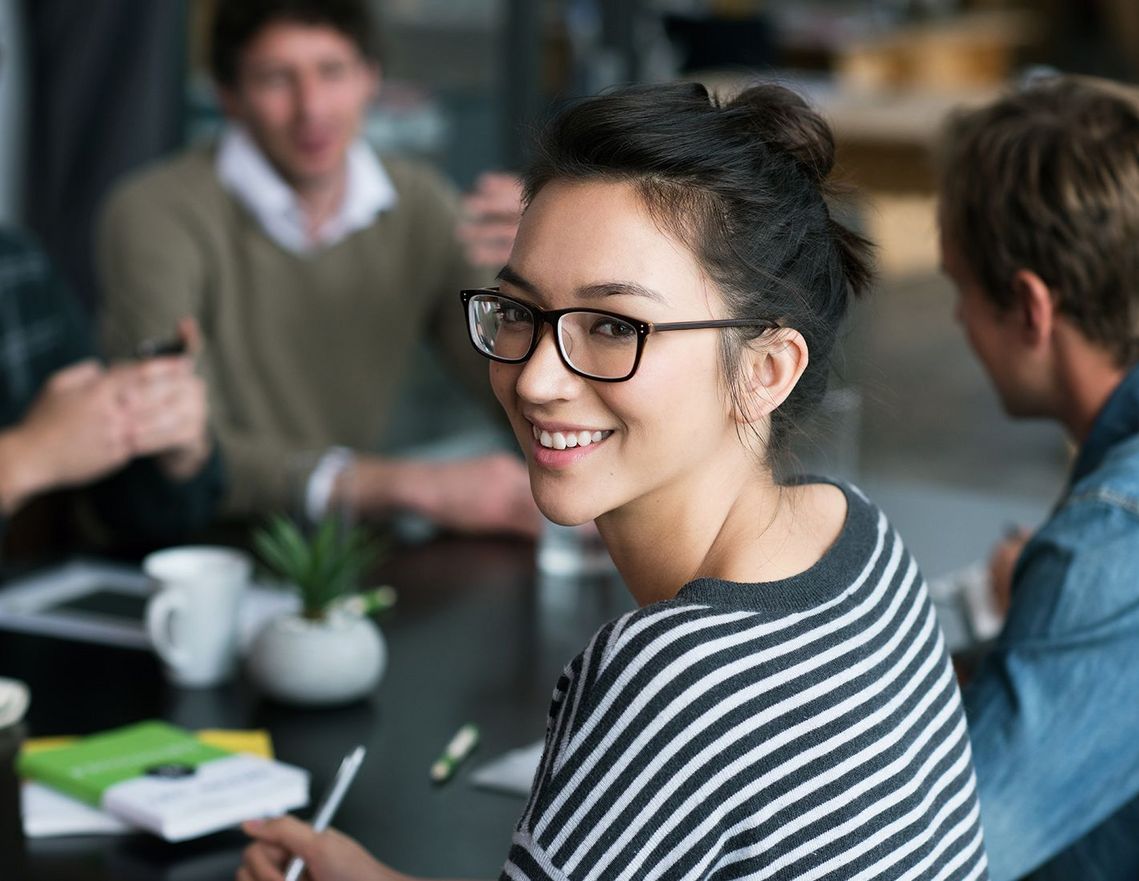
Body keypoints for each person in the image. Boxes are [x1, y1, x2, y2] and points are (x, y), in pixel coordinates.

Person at [238, 83, 989, 881]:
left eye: (611, 327)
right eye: (519, 311)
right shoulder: (857, 538)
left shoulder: (673, 677)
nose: (535, 379)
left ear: (766, 370)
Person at [97, 0, 537, 535]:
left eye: (333, 71)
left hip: (341, 551)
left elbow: (510, 385)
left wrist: (546, 276)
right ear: (228, 97)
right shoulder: (155, 212)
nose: (312, 109)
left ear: (370, 77)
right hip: (191, 546)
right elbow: (175, 441)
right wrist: (409, 485)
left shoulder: (420, 204)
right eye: (276, 79)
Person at [937, 75, 1139, 881]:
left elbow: (949, 857)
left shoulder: (1106, 543)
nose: (955, 320)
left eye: (959, 289)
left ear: (1028, 307)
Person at [0, 227, 220, 554]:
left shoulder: (18, 265)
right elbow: (50, 443)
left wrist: (162, 436)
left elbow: (123, 514)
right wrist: (27, 456)